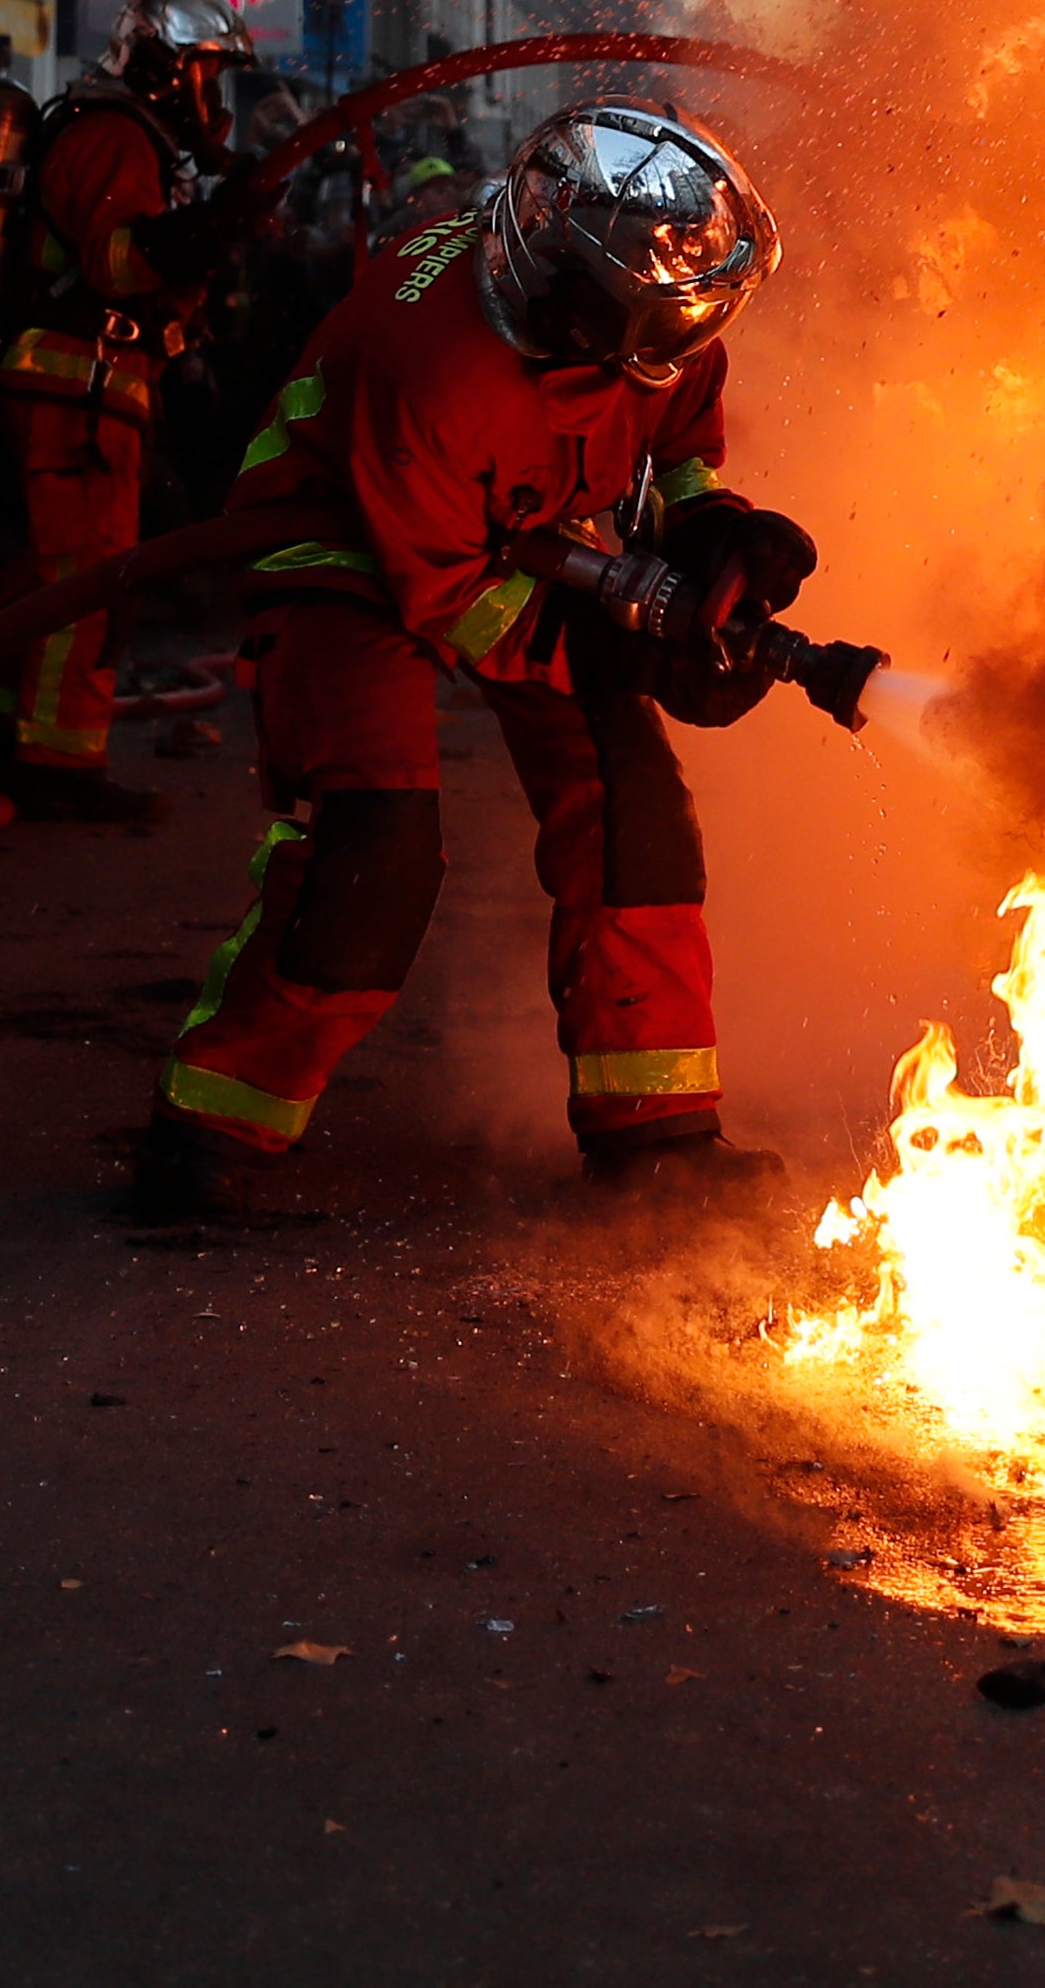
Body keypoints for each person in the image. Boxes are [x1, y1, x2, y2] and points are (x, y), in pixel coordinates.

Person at [136, 102, 819, 1208]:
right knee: (377, 845)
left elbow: (677, 438)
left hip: (508, 531)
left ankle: (654, 1133)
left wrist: (706, 529)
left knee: (634, 808)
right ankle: (215, 1125)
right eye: (655, 333)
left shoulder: (651, 306)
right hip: (341, 547)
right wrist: (626, 644)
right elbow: (455, 596)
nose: (680, 350)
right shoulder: (436, 371)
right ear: (570, 306)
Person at [0, 0, 254, 810]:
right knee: (88, 582)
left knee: (45, 575)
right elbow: (116, 264)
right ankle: (56, 765)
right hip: (79, 383)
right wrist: (201, 234)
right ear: (171, 69)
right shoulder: (113, 136)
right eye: (211, 74)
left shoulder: (132, 137)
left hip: (89, 382)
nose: (216, 97)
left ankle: (8, 735)